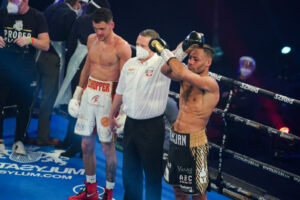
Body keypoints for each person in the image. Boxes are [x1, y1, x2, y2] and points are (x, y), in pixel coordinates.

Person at [108, 29, 186, 200]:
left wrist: (187, 43)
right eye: (137, 43)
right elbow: (120, 92)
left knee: (152, 173)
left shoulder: (161, 64)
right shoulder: (130, 64)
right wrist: (111, 115)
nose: (139, 47)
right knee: (130, 170)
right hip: (130, 124)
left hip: (151, 127)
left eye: (143, 45)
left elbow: (177, 56)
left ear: (153, 46)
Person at [67, 8, 131, 200]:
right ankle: (91, 191)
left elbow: (126, 80)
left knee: (106, 147)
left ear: (112, 25)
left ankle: (108, 194)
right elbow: (88, 64)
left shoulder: (122, 47)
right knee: (86, 145)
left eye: (103, 29)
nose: (99, 33)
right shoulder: (91, 39)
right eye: (96, 29)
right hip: (90, 92)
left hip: (109, 96)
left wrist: (122, 109)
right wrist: (77, 93)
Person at [149, 32, 219, 200]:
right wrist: (184, 46)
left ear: (208, 62)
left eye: (196, 59)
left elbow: (179, 70)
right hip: (176, 139)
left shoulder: (209, 84)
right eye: (190, 58)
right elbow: (165, 69)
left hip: (194, 144)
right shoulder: (185, 76)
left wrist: (163, 51)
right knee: (177, 189)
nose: (191, 62)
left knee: (197, 193)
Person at [55, 0, 111, 158]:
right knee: (84, 106)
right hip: (98, 67)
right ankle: (72, 141)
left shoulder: (83, 20)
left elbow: (72, 42)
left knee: (76, 103)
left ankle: (75, 144)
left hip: (80, 64)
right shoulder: (108, 25)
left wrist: (70, 60)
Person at [0, 0, 50, 154]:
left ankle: (19, 140)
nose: (12, 3)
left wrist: (30, 40)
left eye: (15, 1)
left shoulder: (37, 16)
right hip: (4, 68)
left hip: (26, 70)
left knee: (24, 107)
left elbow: (46, 44)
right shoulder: (2, 13)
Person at [31, 0, 80, 147]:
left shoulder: (52, 7)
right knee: (48, 99)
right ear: (77, 2)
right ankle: (42, 138)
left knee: (31, 97)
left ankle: (20, 135)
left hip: (37, 54)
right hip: (52, 59)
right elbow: (71, 39)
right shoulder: (70, 14)